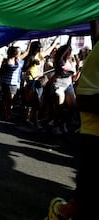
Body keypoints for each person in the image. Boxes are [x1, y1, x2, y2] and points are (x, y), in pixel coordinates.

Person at [45, 40, 99, 220]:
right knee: (59, 107)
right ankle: (54, 125)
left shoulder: (72, 61)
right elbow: (86, 99)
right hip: (59, 86)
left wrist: (75, 70)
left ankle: (60, 125)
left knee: (69, 108)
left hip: (69, 85)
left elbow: (75, 76)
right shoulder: (60, 59)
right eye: (68, 50)